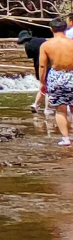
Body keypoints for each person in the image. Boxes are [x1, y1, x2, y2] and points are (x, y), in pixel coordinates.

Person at [40, 16, 73, 146]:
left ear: (51, 29)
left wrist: (42, 82)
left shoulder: (46, 45)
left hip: (57, 76)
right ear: (66, 28)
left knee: (60, 109)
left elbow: (43, 66)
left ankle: (65, 139)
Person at [21, 25, 50, 116]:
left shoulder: (28, 46)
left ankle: (36, 104)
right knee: (48, 88)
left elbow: (31, 56)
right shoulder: (42, 40)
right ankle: (47, 108)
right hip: (48, 63)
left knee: (43, 86)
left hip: (39, 65)